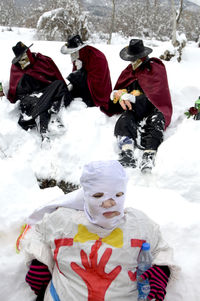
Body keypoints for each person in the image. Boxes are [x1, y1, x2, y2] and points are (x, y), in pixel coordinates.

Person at [20, 160, 178, 301]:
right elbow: (36, 233)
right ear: (86, 195)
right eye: (98, 195)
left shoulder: (139, 224)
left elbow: (161, 249)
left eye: (118, 195)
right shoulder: (63, 220)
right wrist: (39, 261)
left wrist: (162, 271)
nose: (109, 203)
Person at [109, 39, 172, 173]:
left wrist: (134, 98)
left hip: (153, 108)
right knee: (124, 120)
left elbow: (157, 95)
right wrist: (118, 95)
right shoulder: (129, 70)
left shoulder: (155, 68)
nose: (132, 62)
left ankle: (149, 155)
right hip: (135, 109)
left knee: (157, 121)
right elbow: (121, 87)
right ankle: (127, 153)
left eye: (135, 59)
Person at [7, 41, 72, 141]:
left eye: (24, 57)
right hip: (28, 98)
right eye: (20, 59)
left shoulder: (43, 61)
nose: (22, 62)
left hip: (45, 94)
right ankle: (44, 127)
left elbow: (58, 79)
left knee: (59, 84)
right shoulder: (16, 67)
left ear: (28, 53)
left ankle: (50, 115)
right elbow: (14, 91)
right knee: (39, 103)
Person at [60, 34, 112, 112]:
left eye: (74, 52)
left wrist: (79, 72)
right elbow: (75, 74)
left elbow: (98, 81)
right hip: (85, 85)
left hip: (98, 92)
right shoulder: (79, 56)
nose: (72, 55)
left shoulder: (97, 57)